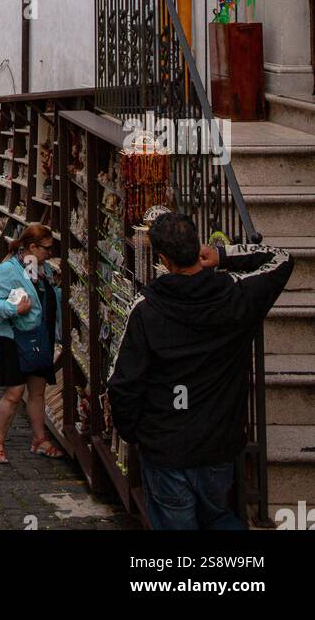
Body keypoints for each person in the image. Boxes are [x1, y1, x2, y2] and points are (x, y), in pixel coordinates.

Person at [108, 212, 293, 531]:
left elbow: (123, 386)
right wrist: (222, 257)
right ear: (198, 249)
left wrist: (137, 436)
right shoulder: (237, 295)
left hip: (167, 448)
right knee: (219, 517)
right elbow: (281, 259)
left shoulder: (146, 311)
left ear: (163, 260)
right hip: (217, 442)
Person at [0, 223, 62, 462]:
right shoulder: (8, 269)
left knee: (38, 391)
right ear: (31, 246)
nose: (49, 253)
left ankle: (39, 439)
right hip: (15, 339)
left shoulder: (42, 269)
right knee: (15, 392)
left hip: (40, 337)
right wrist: (14, 308)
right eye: (46, 248)